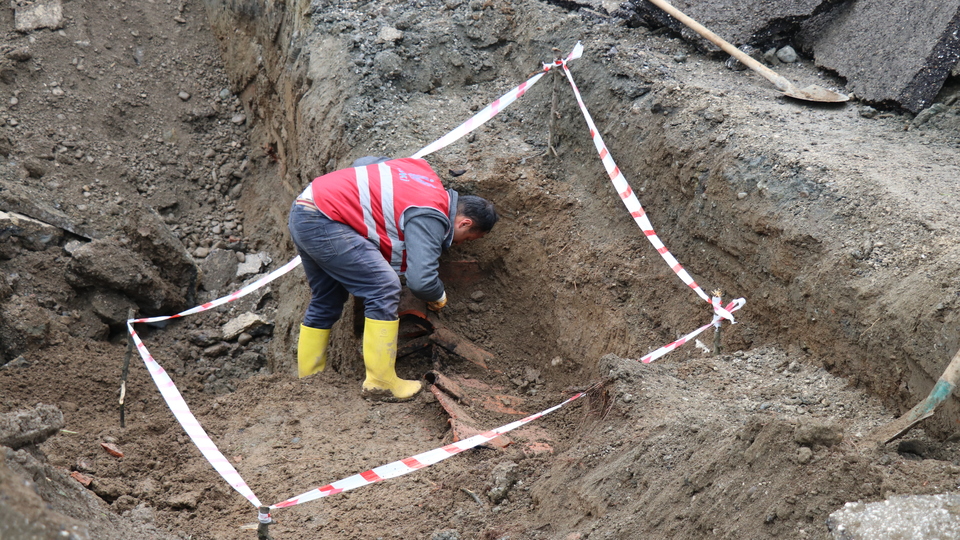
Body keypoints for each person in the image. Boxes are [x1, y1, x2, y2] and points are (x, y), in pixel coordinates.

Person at [288, 156, 498, 401]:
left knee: (328, 297)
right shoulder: (431, 214)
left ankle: (309, 379)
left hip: (306, 208)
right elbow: (421, 280)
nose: (459, 243)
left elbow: (363, 162)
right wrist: (438, 296)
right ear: (465, 222)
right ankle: (381, 383)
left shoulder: (422, 173)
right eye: (467, 238)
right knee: (383, 286)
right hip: (326, 220)